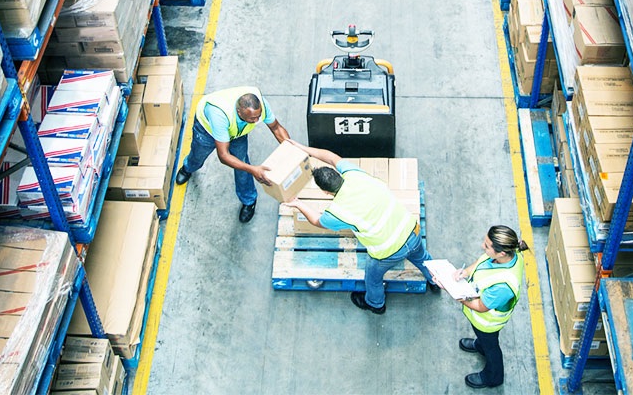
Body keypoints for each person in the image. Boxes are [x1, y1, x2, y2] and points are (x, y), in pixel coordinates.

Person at [282, 140, 439, 314]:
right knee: (423, 257)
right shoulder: (353, 173)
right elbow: (331, 157)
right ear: (338, 174)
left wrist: (297, 203)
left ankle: (376, 304)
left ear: (325, 192)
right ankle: (435, 281)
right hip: (412, 231)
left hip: (390, 251)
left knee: (372, 277)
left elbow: (316, 221)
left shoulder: (336, 212)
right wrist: (304, 149)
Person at [175, 86, 291, 223]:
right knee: (198, 155)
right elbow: (223, 156)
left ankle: (249, 200)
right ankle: (188, 168)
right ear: (239, 112)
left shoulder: (260, 106)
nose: (256, 121)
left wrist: (292, 151)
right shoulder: (219, 116)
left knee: (242, 163)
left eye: (258, 117)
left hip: (236, 131)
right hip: (207, 130)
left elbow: (276, 128)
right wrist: (254, 170)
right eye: (252, 118)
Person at [444, 225, 527, 389]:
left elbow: (481, 306)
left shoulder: (503, 286)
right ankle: (480, 345)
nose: (483, 246)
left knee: (492, 348)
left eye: (487, 246)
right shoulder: (506, 255)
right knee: (484, 342)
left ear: (501, 253)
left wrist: (455, 293)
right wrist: (465, 272)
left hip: (487, 324)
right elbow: (481, 262)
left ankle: (493, 377)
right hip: (480, 321)